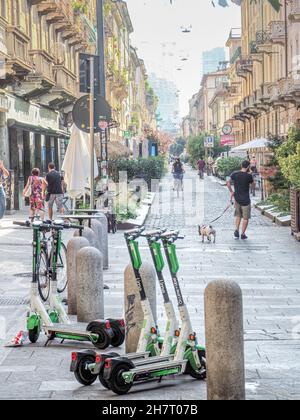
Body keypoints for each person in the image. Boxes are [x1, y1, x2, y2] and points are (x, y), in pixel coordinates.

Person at [227, 160, 255, 240]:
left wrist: (231, 191)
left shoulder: (235, 174)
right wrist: (251, 176)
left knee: (238, 215)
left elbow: (228, 182)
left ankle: (236, 230)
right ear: (248, 167)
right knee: (245, 218)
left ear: (241, 165)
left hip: (237, 199)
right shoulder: (248, 176)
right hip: (246, 200)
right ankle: (243, 234)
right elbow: (253, 186)